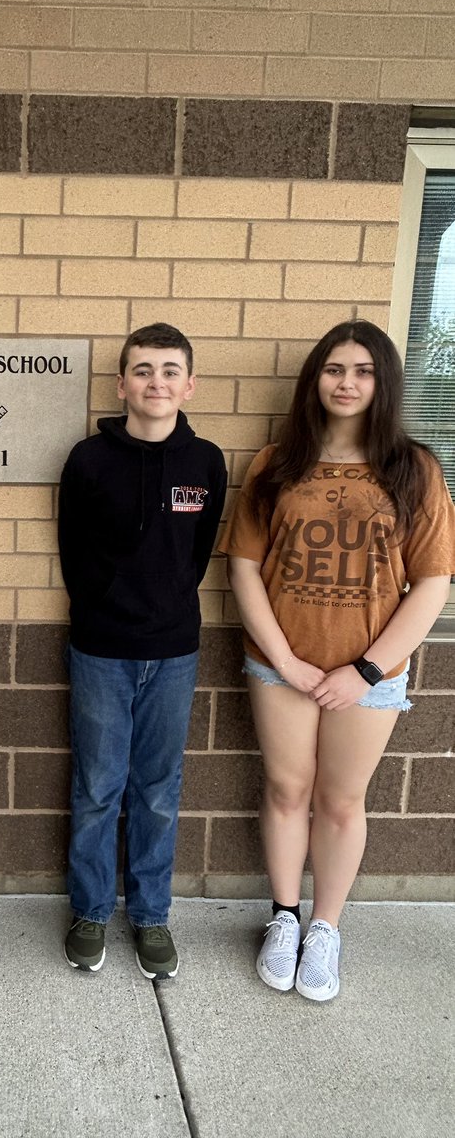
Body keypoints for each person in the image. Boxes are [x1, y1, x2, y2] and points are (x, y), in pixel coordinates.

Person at [221, 320, 455, 1002]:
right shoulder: (275, 465)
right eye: (334, 369)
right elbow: (243, 568)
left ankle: (326, 928)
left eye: (362, 371)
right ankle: (284, 917)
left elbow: (433, 584)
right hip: (281, 665)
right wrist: (286, 660)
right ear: (314, 380)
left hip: (370, 673)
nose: (346, 383)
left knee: (342, 800)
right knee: (287, 790)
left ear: (383, 383)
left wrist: (366, 670)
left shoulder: (414, 468)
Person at [58, 323, 227, 978]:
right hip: (101, 649)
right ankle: (91, 910)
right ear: (122, 384)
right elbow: (73, 553)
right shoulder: (87, 460)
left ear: (190, 385)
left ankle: (152, 914)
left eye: (169, 370)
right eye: (143, 370)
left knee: (158, 788)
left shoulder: (206, 463)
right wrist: (106, 609)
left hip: (175, 650)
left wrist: (167, 606)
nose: (157, 382)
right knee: (98, 786)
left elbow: (199, 553)